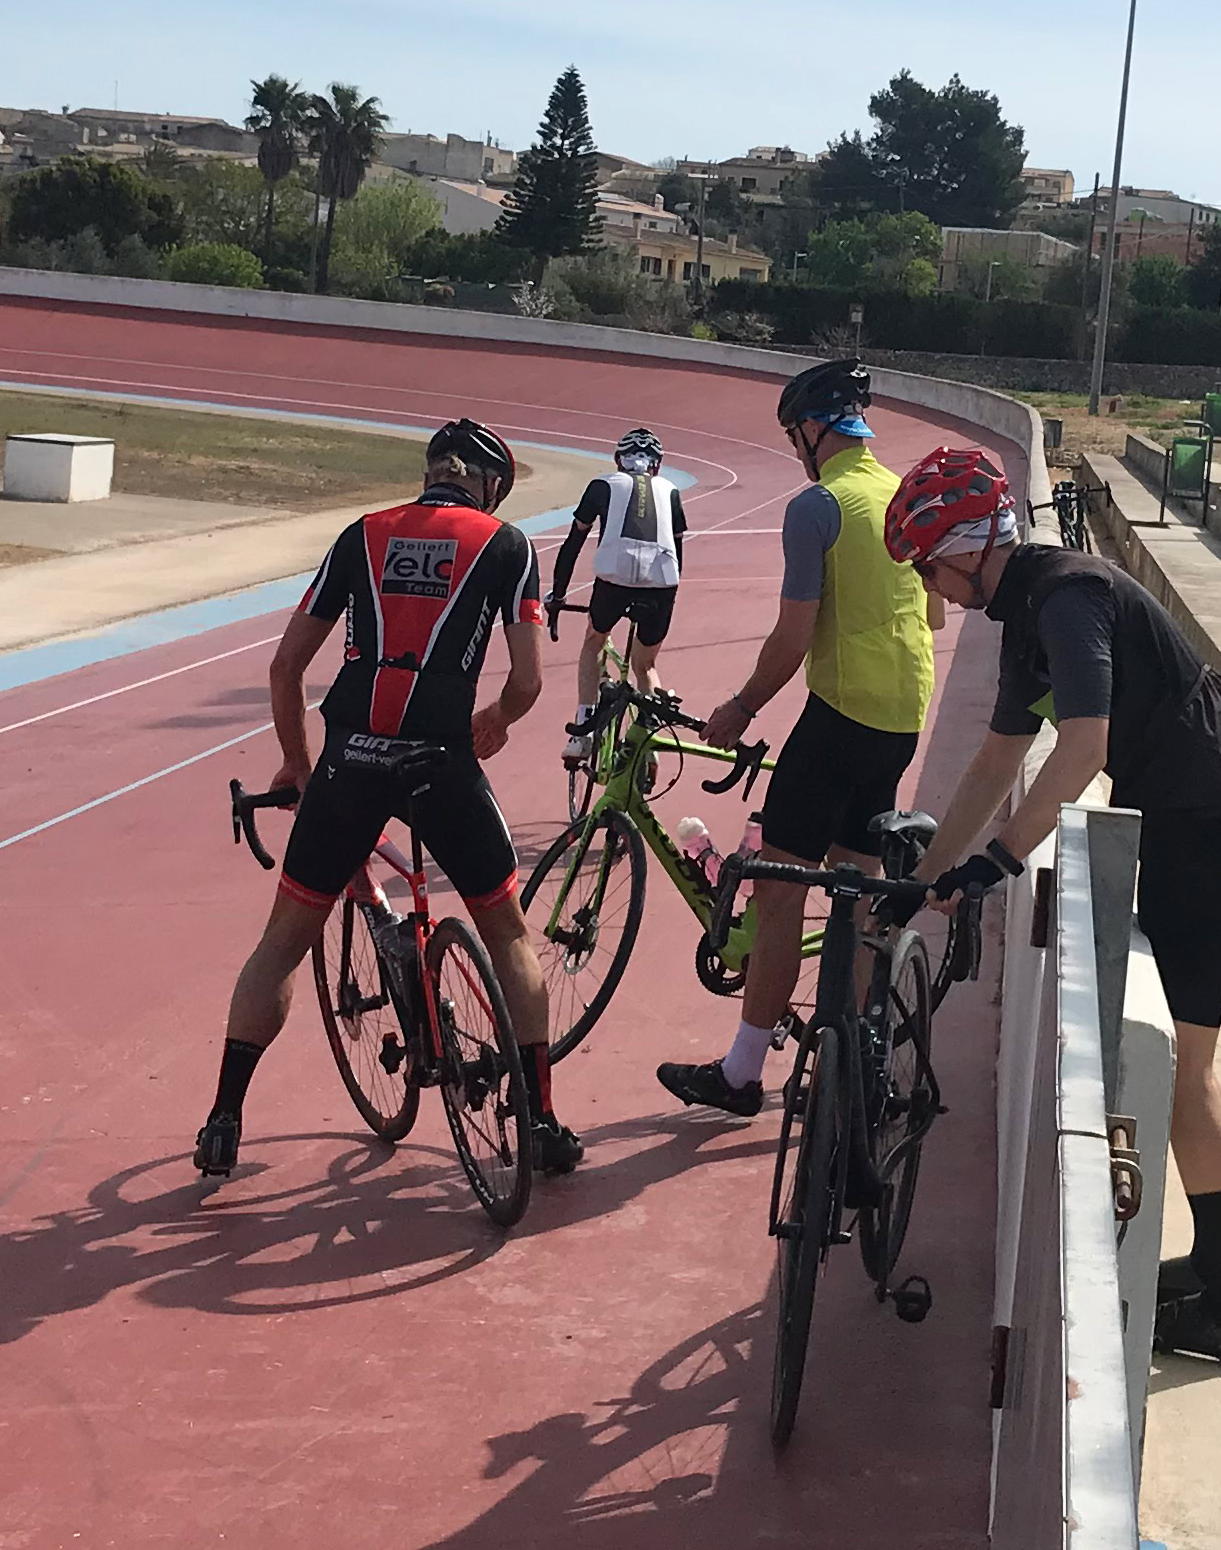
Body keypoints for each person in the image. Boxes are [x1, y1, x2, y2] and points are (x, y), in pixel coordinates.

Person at [889, 443, 1221, 1368]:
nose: (933, 590)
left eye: (931, 568)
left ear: (971, 546)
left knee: (1187, 1076)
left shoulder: (1066, 598)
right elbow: (997, 760)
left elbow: (1082, 746)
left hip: (1208, 830)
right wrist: (928, 880)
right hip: (1196, 821)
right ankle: (1217, 1276)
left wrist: (998, 861)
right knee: (1189, 1075)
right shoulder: (1029, 606)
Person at [201, 416, 579, 1184]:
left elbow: (285, 669)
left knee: (282, 942)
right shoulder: (507, 546)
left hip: (351, 759)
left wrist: (297, 765)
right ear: (489, 485)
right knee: (508, 933)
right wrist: (496, 720)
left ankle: (223, 1119)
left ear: (432, 470)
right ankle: (540, 1121)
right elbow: (528, 682)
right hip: (443, 761)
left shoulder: (361, 535)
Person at [656, 358, 937, 1118]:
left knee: (779, 894)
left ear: (814, 429)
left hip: (838, 717)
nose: (794, 451)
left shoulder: (819, 506)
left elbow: (793, 634)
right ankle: (857, 1068)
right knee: (855, 893)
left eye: (792, 437)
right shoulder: (901, 495)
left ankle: (742, 1073)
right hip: (901, 718)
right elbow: (935, 613)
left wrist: (742, 707)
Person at [551, 425, 691, 755]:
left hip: (614, 577)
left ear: (618, 461)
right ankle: (649, 745)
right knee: (646, 665)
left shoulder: (602, 485)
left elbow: (572, 544)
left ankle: (582, 735)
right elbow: (679, 554)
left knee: (594, 641)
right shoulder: (671, 491)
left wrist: (558, 595)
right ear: (658, 465)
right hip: (662, 581)